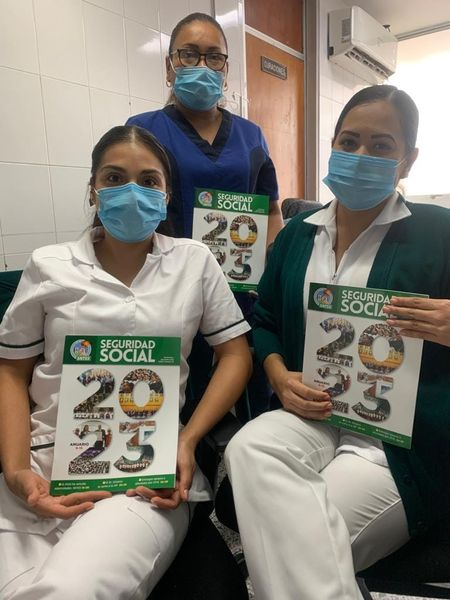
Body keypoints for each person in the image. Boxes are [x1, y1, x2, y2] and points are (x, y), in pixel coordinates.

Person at [0, 125, 252, 599]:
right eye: (114, 178)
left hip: (144, 473)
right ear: (92, 189)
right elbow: (12, 370)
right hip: (42, 466)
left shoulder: (194, 261)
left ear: (166, 195)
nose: (132, 192)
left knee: (69, 590)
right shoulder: (49, 264)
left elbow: (235, 354)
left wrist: (187, 440)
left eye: (149, 181)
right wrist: (16, 472)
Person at [225, 85, 450, 600]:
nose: (361, 155)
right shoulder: (297, 234)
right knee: (247, 446)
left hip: (397, 442)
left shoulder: (439, 232)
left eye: (381, 145)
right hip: (314, 412)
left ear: (408, 159)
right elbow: (264, 319)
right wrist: (278, 374)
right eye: (349, 142)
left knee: (289, 551)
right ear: (331, 146)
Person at [126, 12, 283, 245]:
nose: (202, 66)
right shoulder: (142, 131)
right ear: (169, 67)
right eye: (189, 55)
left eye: (214, 57)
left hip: (239, 267)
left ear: (225, 71)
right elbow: (130, 211)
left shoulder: (252, 137)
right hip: (166, 265)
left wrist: (272, 256)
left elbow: (271, 211)